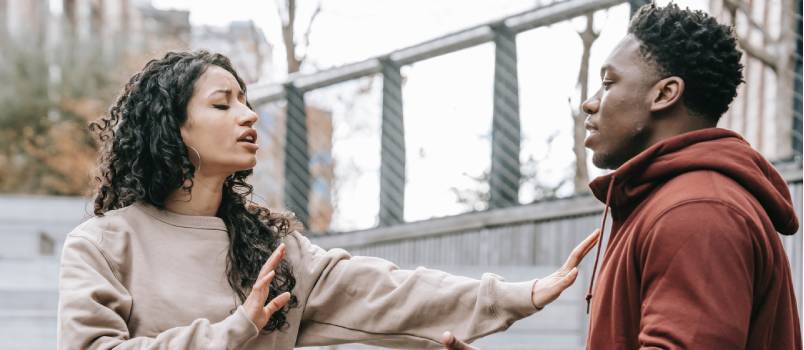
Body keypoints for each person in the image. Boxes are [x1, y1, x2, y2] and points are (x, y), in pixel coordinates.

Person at [56, 50, 599, 350]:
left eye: (246, 101)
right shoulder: (104, 244)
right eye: (223, 105)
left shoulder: (271, 248)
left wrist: (516, 294)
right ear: (171, 128)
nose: (249, 115)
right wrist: (236, 329)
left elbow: (386, 292)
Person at [579, 3, 801, 349]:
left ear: (664, 94)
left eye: (608, 83)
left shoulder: (698, 210)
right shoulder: (672, 201)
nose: (590, 103)